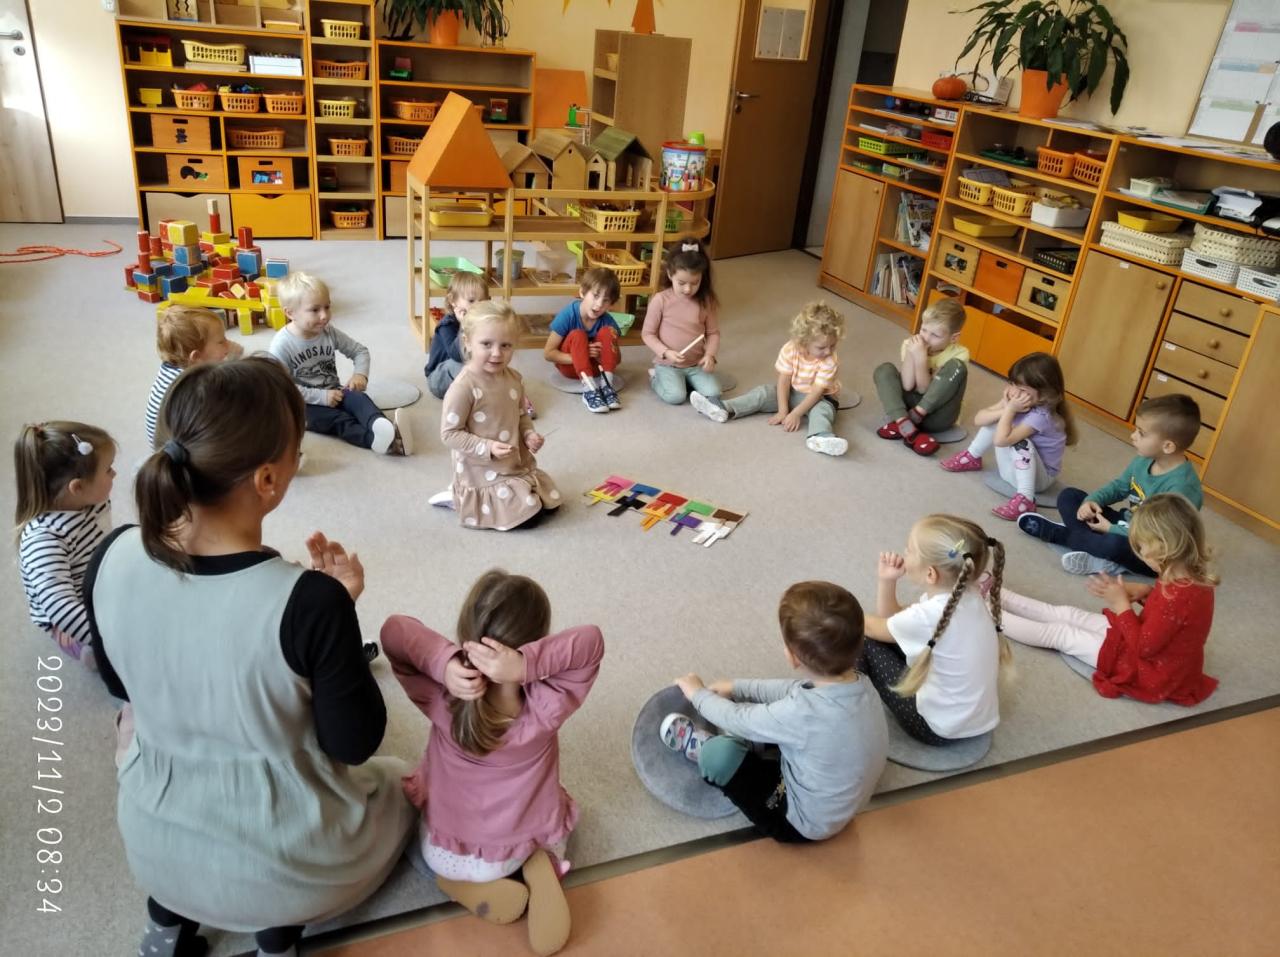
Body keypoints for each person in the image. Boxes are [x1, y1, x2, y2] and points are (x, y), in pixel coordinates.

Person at [86, 357, 414, 957]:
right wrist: (337, 614)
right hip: (286, 865)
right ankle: (277, 939)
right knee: (398, 781)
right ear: (267, 480)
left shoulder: (112, 553)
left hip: (156, 844)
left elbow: (122, 687)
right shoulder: (309, 602)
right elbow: (353, 743)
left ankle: (164, 930)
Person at [382, 569, 604, 957]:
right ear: (537, 641)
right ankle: (543, 863)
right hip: (524, 842)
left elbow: (393, 631)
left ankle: (456, 884)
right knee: (556, 819)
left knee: (415, 837)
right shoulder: (545, 709)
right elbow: (591, 641)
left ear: (465, 634)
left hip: (449, 855)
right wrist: (526, 667)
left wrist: (443, 664)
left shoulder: (440, 700)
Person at [668, 581, 887, 843]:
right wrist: (738, 687)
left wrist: (697, 694)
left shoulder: (802, 713)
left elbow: (737, 719)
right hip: (843, 796)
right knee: (777, 719)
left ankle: (703, 747)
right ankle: (760, 742)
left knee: (718, 755)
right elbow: (796, 690)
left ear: (792, 657)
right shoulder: (861, 682)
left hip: (801, 822)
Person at [999, 493, 1218, 705]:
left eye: (1141, 547)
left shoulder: (1180, 592)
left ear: (1163, 548)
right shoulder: (1183, 573)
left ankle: (991, 613)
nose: (1139, 553)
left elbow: (1143, 647)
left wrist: (1121, 604)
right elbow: (1172, 619)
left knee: (1060, 634)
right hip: (1144, 643)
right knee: (1068, 614)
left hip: (1152, 670)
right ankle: (998, 594)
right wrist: (1148, 592)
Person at [860, 515, 1010, 746]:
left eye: (909, 550)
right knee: (889, 636)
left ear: (931, 574)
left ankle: (843, 704)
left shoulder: (927, 616)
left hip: (935, 729)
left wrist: (830, 610)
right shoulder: (968, 595)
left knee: (862, 640)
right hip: (975, 722)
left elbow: (871, 626)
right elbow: (895, 622)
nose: (904, 552)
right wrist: (887, 580)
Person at [1019, 394, 1204, 576]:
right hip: (1127, 523)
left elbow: (1158, 538)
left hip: (1150, 550)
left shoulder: (1183, 489)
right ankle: (1091, 545)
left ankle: (1064, 536)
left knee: (1114, 545)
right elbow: (1119, 487)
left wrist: (1111, 529)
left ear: (1168, 446)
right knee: (1069, 496)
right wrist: (1092, 501)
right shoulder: (1145, 459)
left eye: (1141, 433)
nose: (1133, 436)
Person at [439, 301, 560, 530]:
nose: (497, 353)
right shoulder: (463, 388)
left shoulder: (514, 378)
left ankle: (515, 490)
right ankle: (460, 499)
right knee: (529, 518)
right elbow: (449, 434)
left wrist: (529, 435)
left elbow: (521, 415)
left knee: (550, 505)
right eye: (486, 344)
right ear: (467, 342)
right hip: (481, 468)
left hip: (513, 462)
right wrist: (487, 447)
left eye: (505, 345)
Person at [268, 271, 411, 455]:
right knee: (338, 420)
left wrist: (360, 374)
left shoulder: (328, 332)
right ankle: (377, 441)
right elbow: (281, 387)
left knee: (359, 399)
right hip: (303, 405)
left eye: (327, 307)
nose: (324, 315)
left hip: (335, 391)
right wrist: (322, 397)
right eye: (315, 310)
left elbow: (359, 351)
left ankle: (382, 426)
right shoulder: (282, 345)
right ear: (290, 313)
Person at [14, 421, 115, 670]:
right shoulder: (44, 540)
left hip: (97, 579)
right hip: (69, 612)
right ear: (77, 487)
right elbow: (61, 607)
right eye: (108, 470)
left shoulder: (93, 500)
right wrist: (108, 640)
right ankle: (82, 648)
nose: (114, 474)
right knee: (98, 649)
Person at [690, 301, 850, 457]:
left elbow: (816, 392)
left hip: (821, 398)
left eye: (833, 346)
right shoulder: (790, 349)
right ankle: (723, 408)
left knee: (821, 412)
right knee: (764, 392)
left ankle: (820, 437)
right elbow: (784, 380)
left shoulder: (830, 360)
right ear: (804, 341)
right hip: (793, 391)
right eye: (821, 347)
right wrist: (783, 410)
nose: (828, 351)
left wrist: (795, 414)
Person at [940, 352, 1077, 520]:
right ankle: (971, 457)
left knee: (1021, 442)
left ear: (1043, 395)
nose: (1013, 392)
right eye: (1012, 383)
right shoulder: (1016, 402)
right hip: (1014, 470)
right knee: (998, 420)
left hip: (1037, 481)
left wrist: (1010, 410)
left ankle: (1026, 499)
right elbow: (979, 420)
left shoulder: (1040, 417)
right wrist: (1005, 409)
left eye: (1022, 389)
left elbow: (1001, 440)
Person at [872, 296, 968, 456]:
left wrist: (921, 358)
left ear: (954, 338)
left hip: (936, 416)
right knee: (884, 370)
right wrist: (913, 354)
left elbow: (925, 389)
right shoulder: (911, 344)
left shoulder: (959, 354)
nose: (925, 338)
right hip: (908, 407)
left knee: (958, 367)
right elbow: (908, 385)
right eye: (923, 330)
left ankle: (907, 421)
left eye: (935, 335)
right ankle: (905, 423)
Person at [146, 304, 242, 449]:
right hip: (187, 451)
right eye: (221, 341)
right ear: (196, 357)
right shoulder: (197, 388)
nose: (228, 344)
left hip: (165, 446)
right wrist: (234, 360)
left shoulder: (171, 368)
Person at [642, 240, 721, 406]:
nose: (687, 289)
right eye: (681, 283)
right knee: (676, 397)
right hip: (668, 364)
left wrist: (709, 355)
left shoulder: (706, 301)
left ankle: (686, 382)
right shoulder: (660, 300)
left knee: (714, 393)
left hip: (695, 364)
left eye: (695, 283)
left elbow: (713, 333)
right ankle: (655, 377)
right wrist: (665, 352)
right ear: (670, 274)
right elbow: (647, 334)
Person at [542, 267, 622, 413]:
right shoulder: (568, 314)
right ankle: (589, 390)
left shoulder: (607, 321)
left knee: (608, 332)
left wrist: (601, 355)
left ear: (611, 304)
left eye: (605, 300)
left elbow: (617, 359)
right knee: (578, 335)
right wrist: (581, 355)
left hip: (597, 369)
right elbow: (548, 354)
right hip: (571, 367)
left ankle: (607, 386)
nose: (599, 304)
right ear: (582, 293)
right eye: (595, 296)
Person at [426, 270, 488, 400]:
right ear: (453, 300)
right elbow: (457, 355)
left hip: (463, 375)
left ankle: (494, 390)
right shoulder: (446, 325)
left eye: (482, 301)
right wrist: (464, 325)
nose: (477, 306)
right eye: (471, 300)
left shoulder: (479, 321)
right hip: (439, 379)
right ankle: (482, 395)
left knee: (492, 358)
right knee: (463, 366)